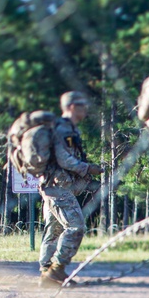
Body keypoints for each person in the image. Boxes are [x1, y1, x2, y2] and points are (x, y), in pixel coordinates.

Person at [36, 91, 103, 286]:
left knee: (54, 230)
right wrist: (87, 168)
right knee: (76, 226)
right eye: (82, 106)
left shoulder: (66, 129)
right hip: (58, 187)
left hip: (53, 186)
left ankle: (46, 274)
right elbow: (64, 158)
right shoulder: (64, 129)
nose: (85, 110)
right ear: (72, 107)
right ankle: (57, 269)